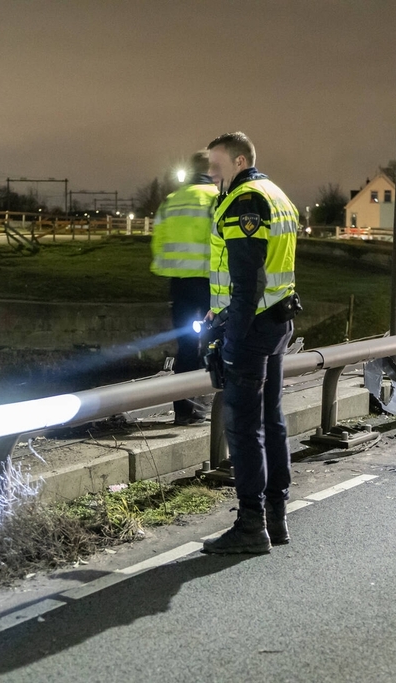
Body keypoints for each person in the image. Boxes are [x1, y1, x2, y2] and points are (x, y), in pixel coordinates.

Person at [202, 131, 299, 554]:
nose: (210, 172)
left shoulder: (245, 202)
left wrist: (229, 341)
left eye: (217, 164)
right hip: (277, 321)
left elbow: (248, 282)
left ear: (240, 162)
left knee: (243, 428)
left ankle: (250, 525)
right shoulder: (276, 194)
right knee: (272, 421)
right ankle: (276, 517)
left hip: (252, 327)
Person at [150, 150, 219, 425]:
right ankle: (209, 406)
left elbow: (158, 243)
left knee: (186, 347)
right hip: (211, 283)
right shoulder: (216, 199)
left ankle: (182, 411)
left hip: (179, 284)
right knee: (216, 343)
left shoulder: (171, 201)